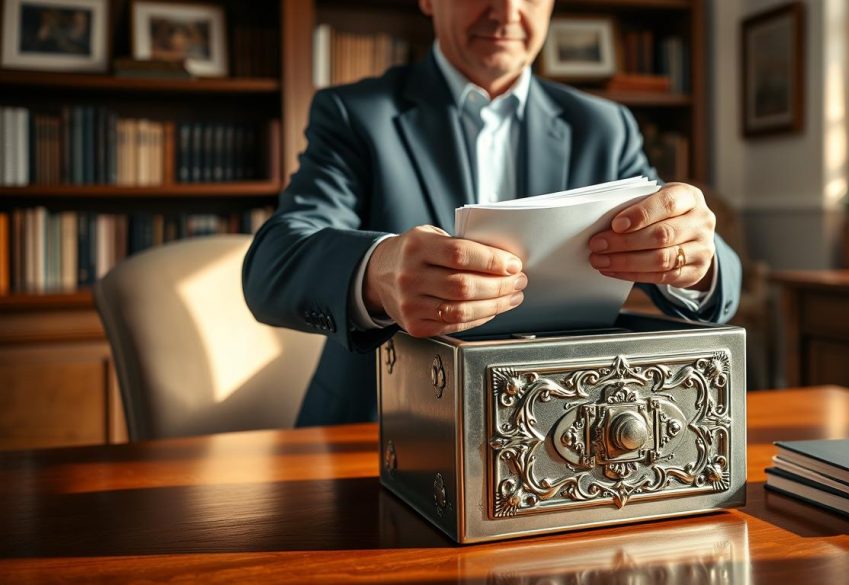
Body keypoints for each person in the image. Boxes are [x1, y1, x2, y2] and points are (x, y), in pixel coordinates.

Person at [242, 0, 741, 425]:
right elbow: (273, 265)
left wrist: (695, 260)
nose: (506, 12)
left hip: (564, 432)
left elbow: (709, 266)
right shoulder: (355, 114)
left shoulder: (605, 127)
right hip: (378, 429)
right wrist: (376, 273)